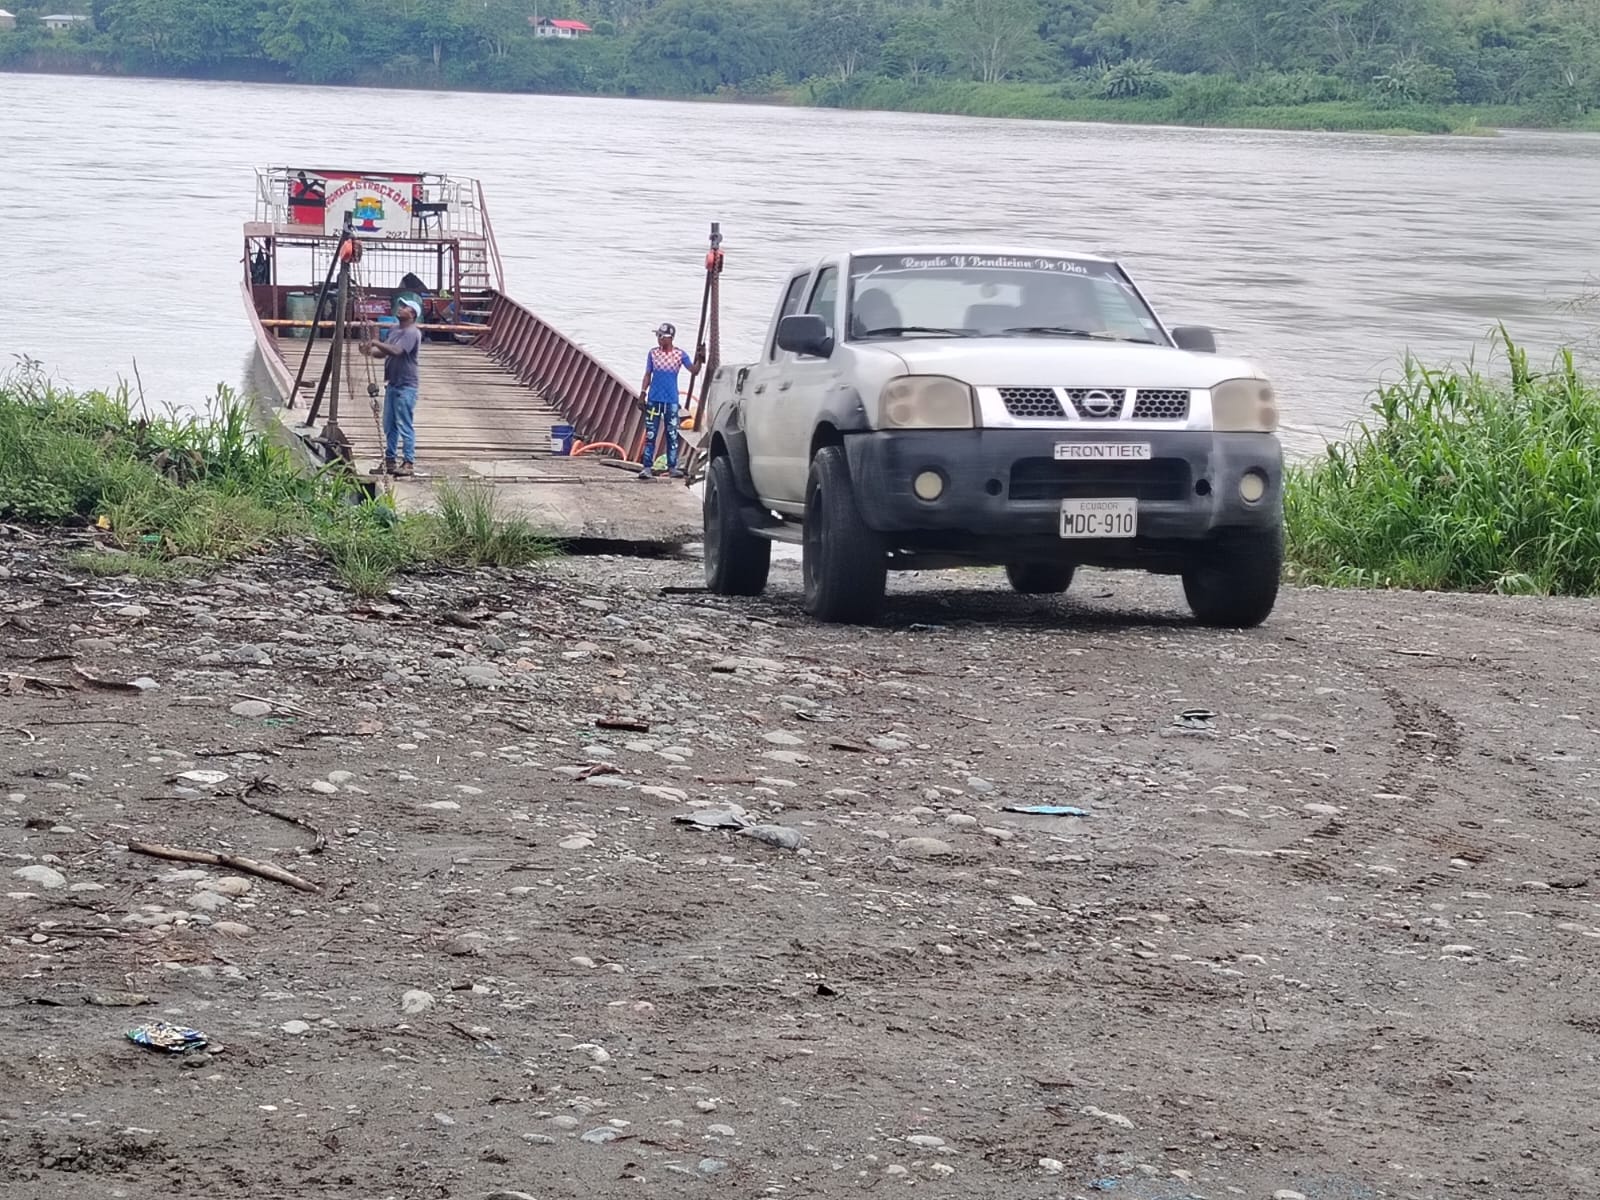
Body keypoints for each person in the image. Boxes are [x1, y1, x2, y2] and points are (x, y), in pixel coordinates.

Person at [361, 297, 423, 476]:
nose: (400, 308)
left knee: (404, 423)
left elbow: (397, 351)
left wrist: (375, 342)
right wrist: (369, 351)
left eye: (405, 307)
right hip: (392, 383)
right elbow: (384, 352)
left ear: (412, 314)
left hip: (406, 385)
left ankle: (408, 462)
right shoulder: (394, 329)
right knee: (389, 425)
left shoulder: (412, 333)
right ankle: (389, 460)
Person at [636, 322, 702, 480]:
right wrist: (643, 393)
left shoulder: (680, 355)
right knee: (651, 435)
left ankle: (672, 467)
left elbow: (694, 370)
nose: (658, 339)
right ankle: (647, 467)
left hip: (671, 402)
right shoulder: (653, 354)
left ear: (670, 338)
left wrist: (700, 359)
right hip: (654, 400)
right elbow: (648, 374)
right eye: (657, 336)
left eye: (661, 336)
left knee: (672, 435)